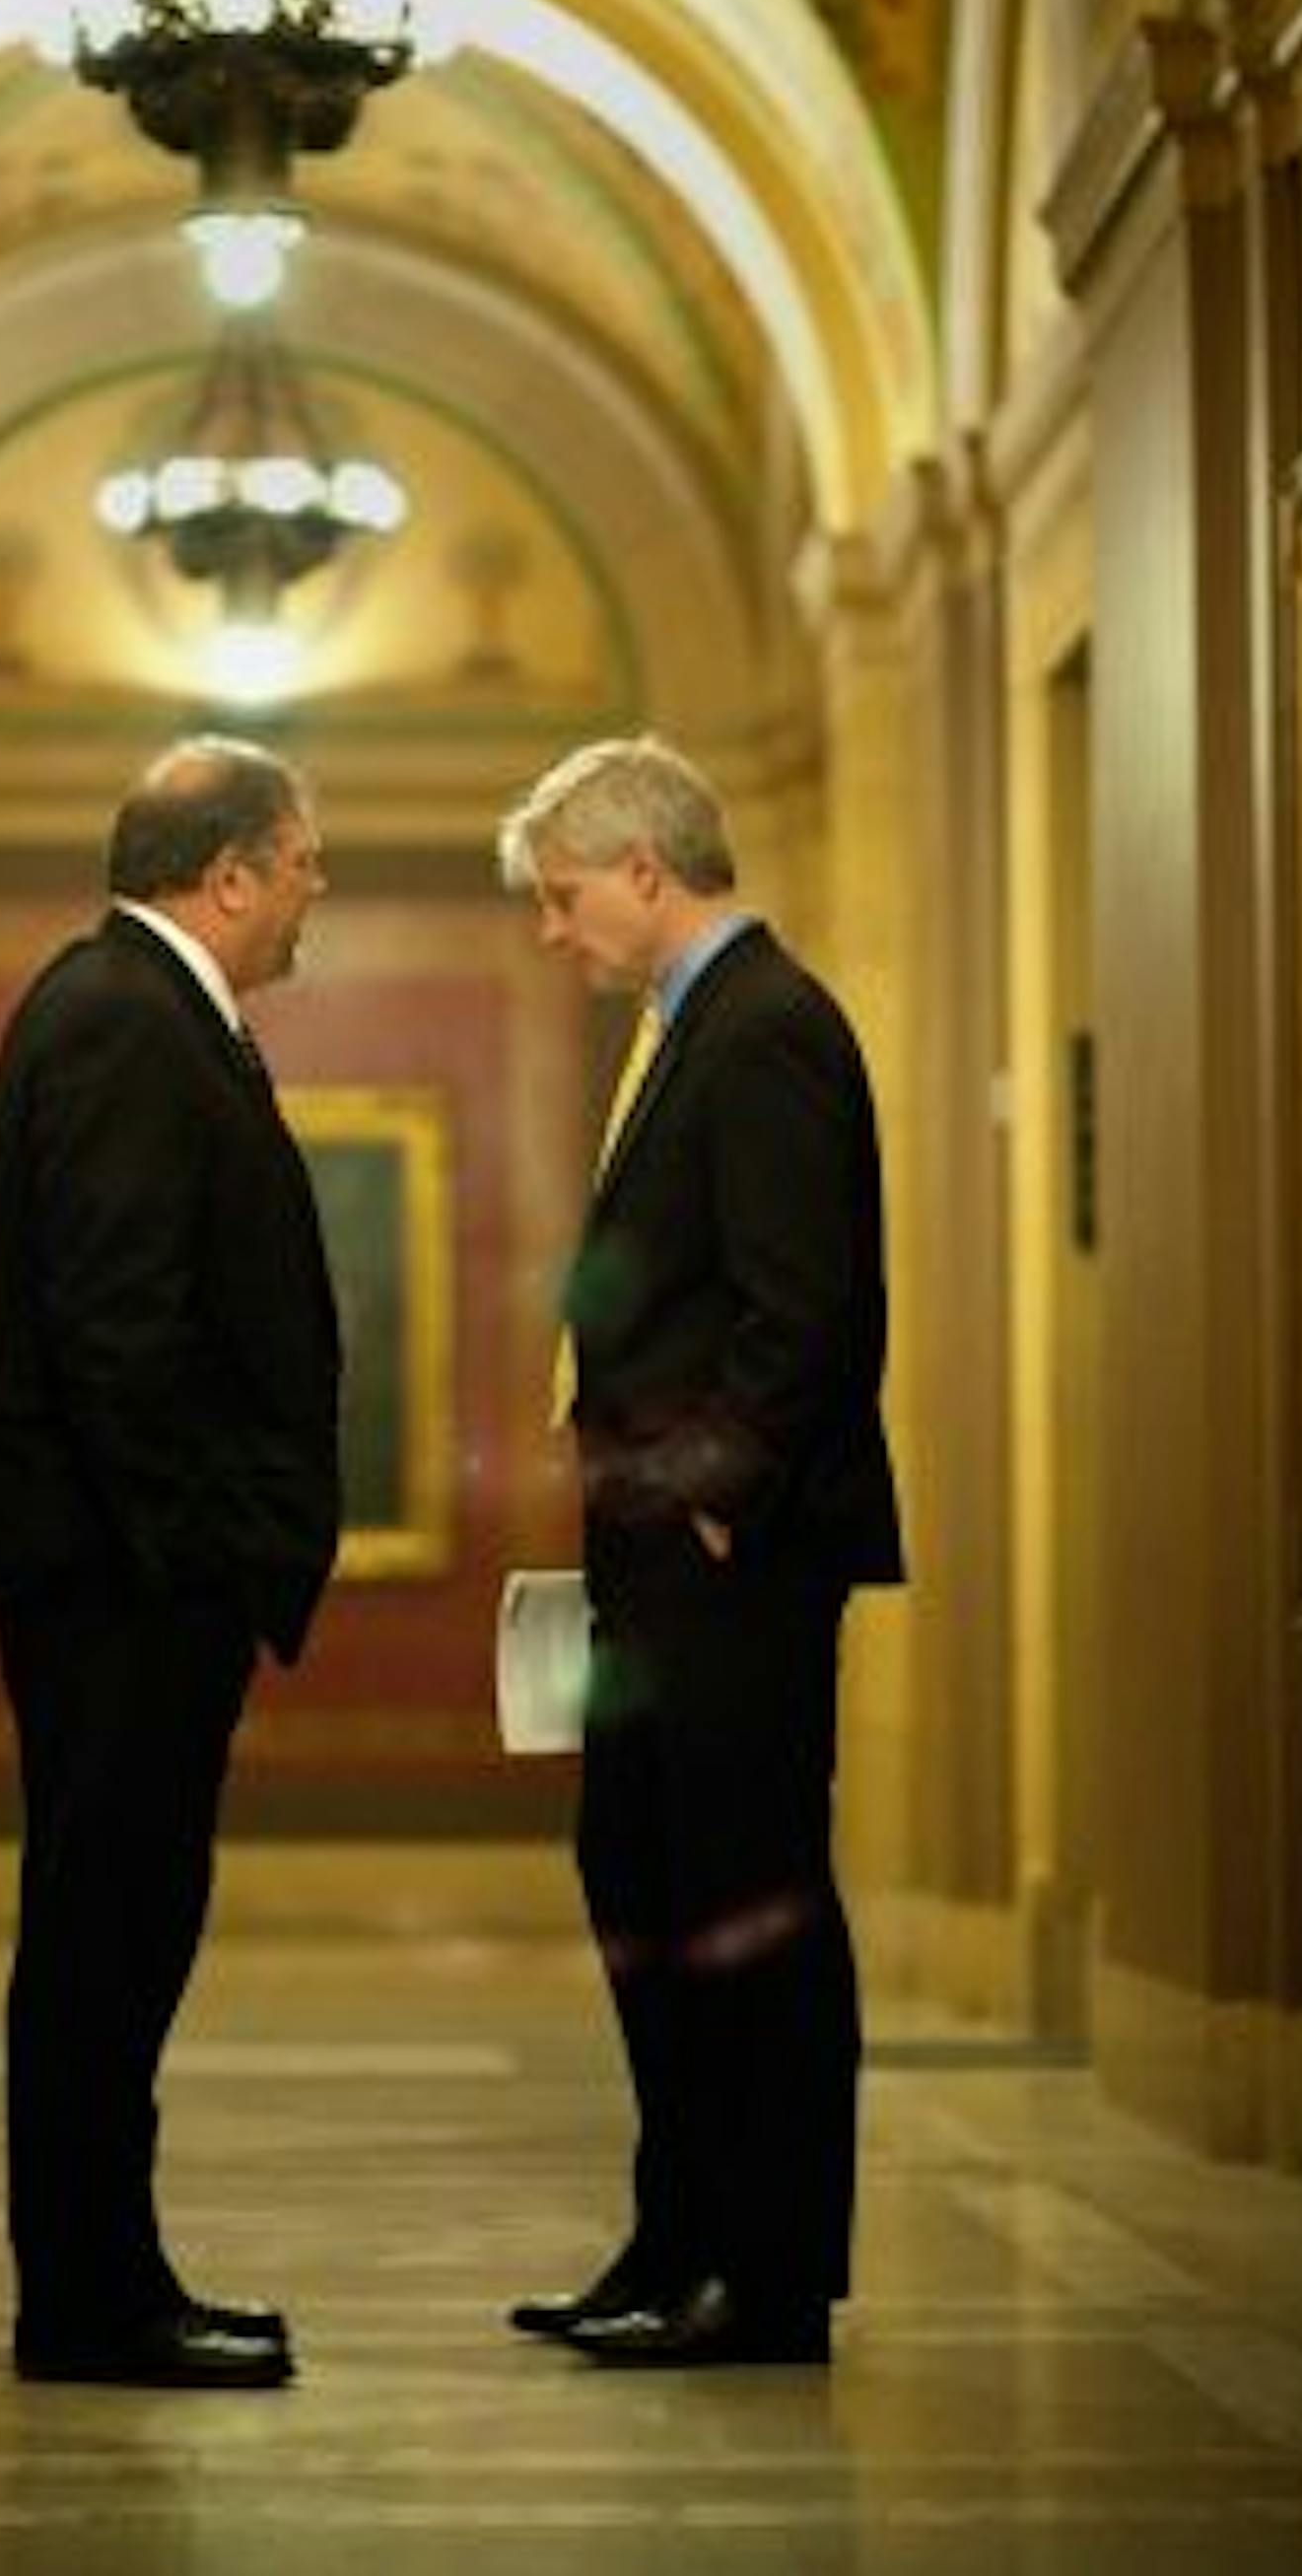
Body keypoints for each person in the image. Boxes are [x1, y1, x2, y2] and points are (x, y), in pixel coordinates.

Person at [497, 733, 905, 2367]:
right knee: (643, 1882)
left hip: (731, 1560)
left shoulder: (769, 1033)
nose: (554, 929)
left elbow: (806, 1312)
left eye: (563, 894)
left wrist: (720, 1494)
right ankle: (676, 2242)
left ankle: (770, 2275)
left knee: (749, 1907)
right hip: (654, 1556)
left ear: (647, 869)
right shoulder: (689, 1031)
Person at [0, 735, 342, 2389]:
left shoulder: (144, 1007)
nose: (319, 886)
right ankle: (93, 2306)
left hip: (131, 1576)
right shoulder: (122, 1019)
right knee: (105, 1943)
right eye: (305, 857)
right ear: (229, 869)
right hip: (123, 1586)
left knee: (123, 1937)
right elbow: (119, 1334)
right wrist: (197, 1559)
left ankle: (113, 2280)